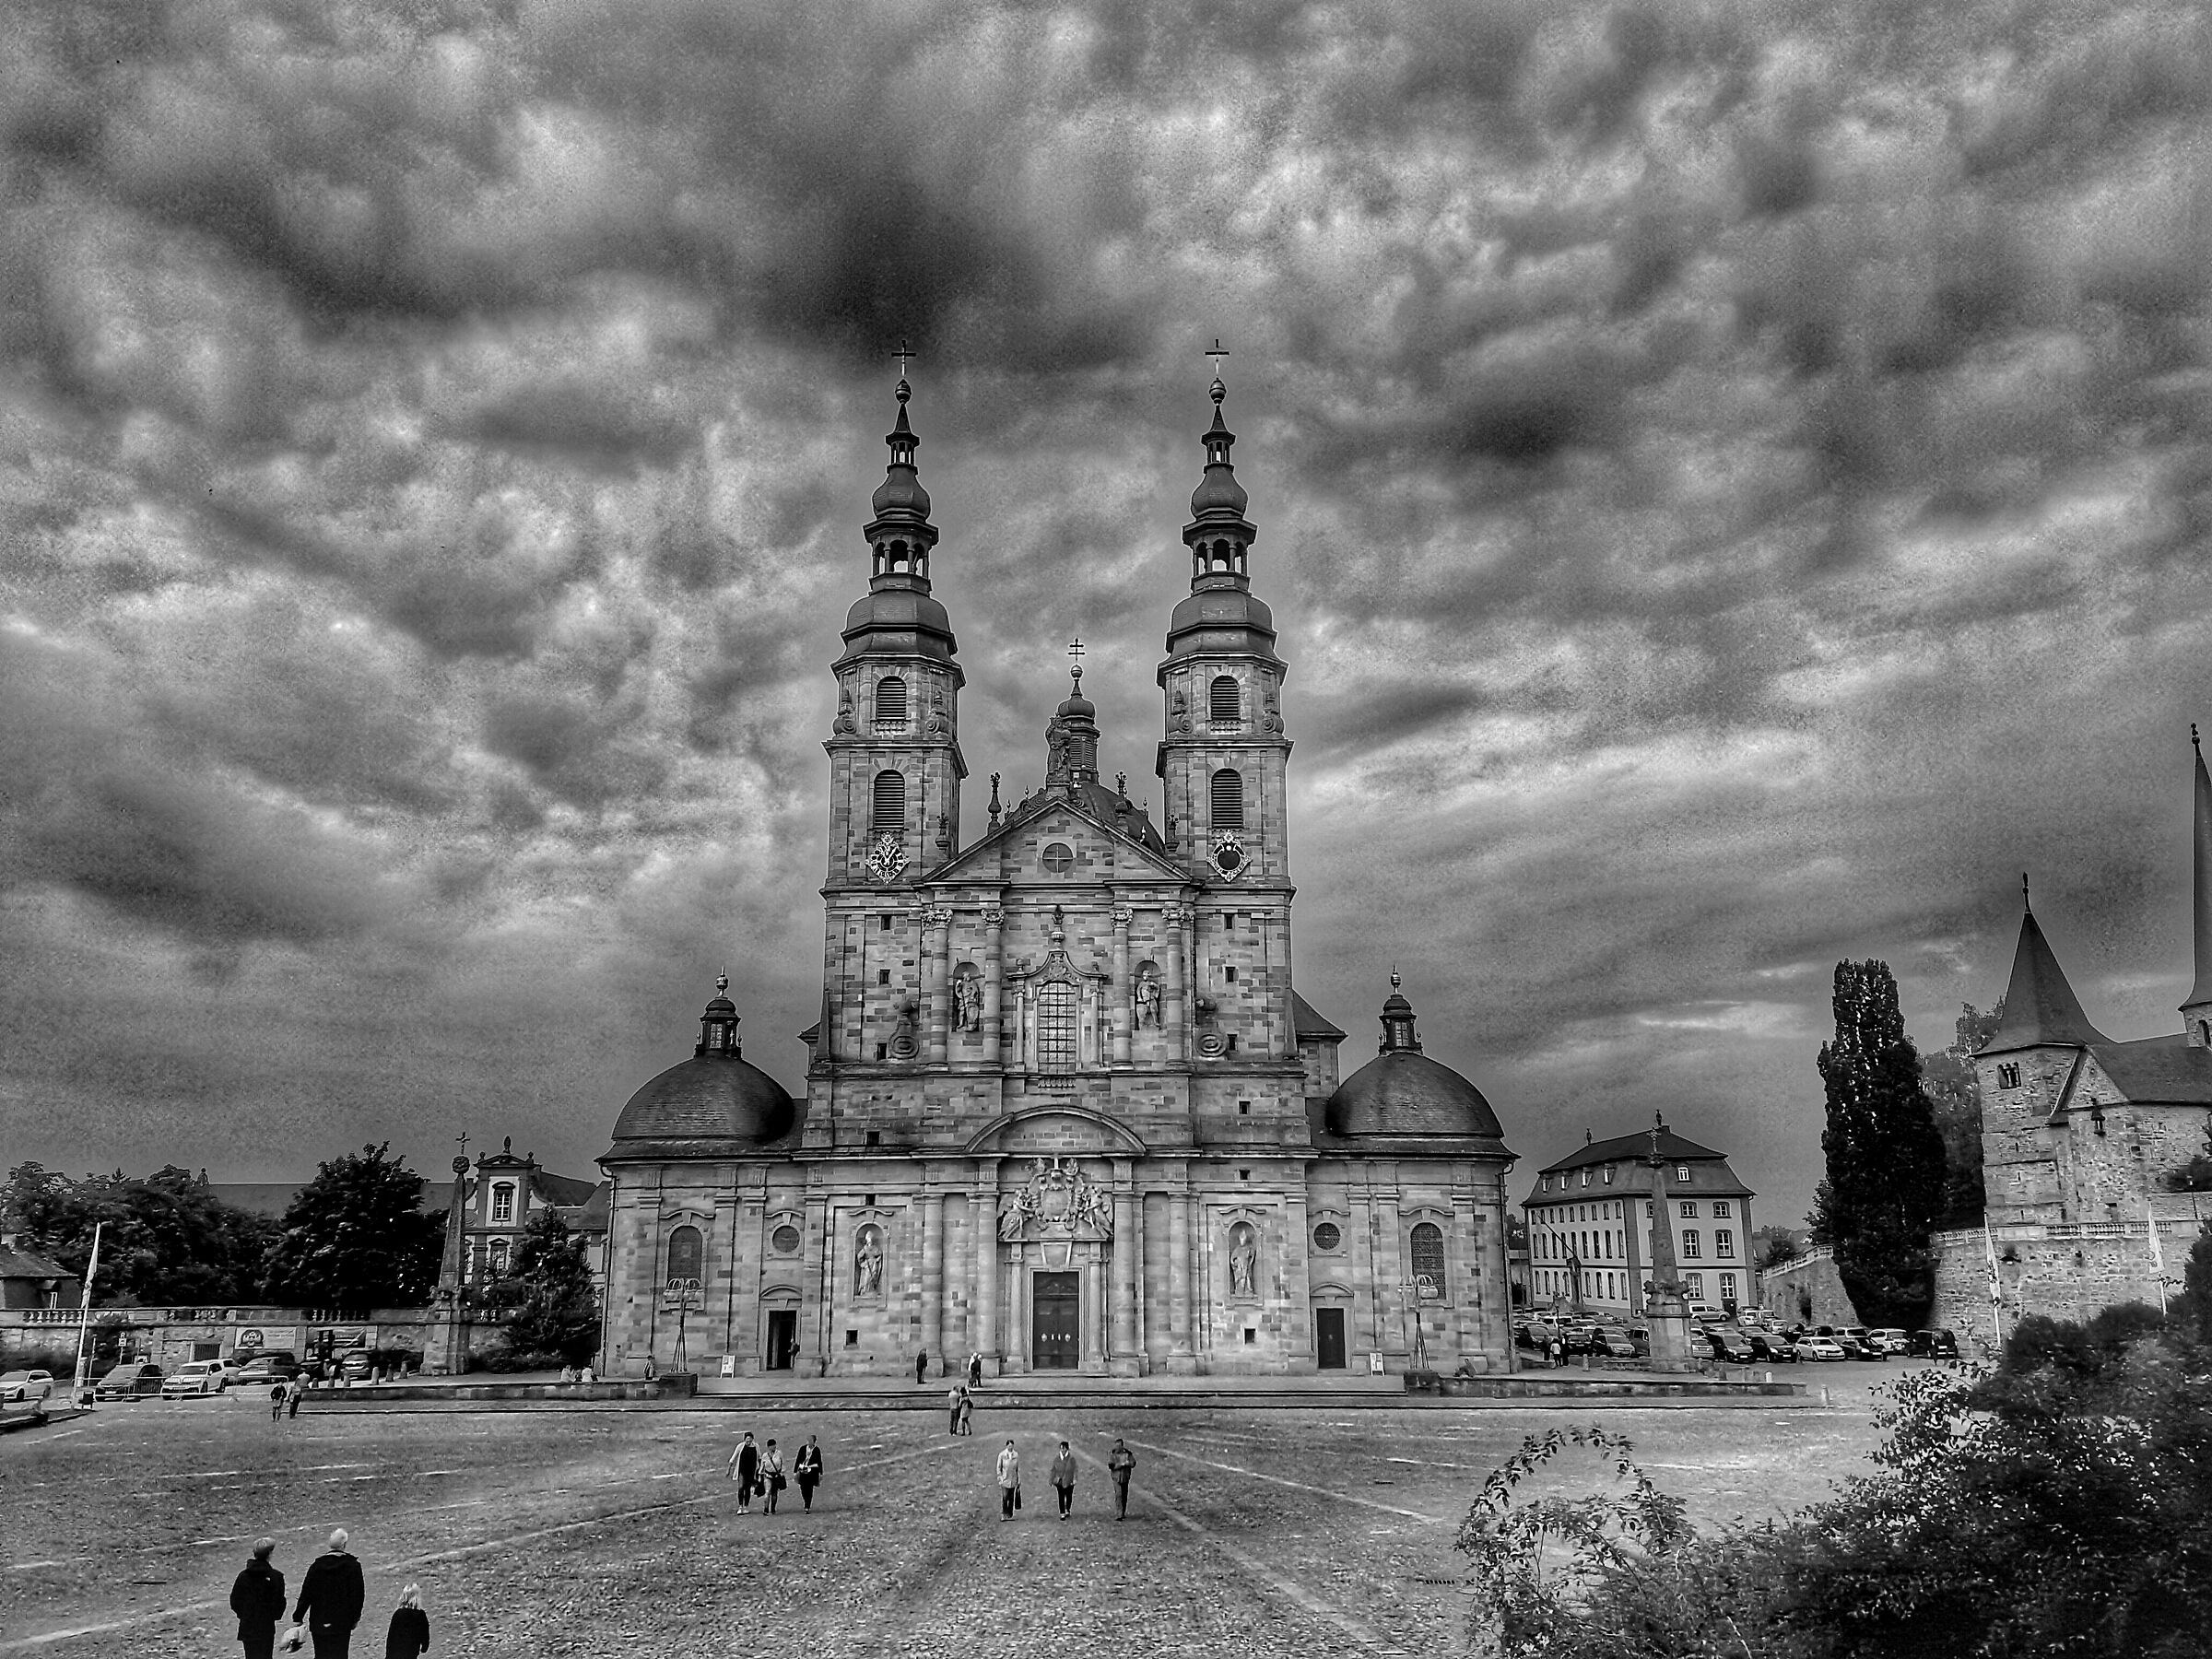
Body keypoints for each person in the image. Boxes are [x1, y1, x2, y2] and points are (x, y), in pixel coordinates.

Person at [292, 1530, 365, 1659]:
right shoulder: (353, 1567)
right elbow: (358, 1596)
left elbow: (306, 1593)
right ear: (344, 1544)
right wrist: (355, 1618)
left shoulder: (316, 1566)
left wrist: (298, 1616)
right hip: (342, 1622)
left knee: (321, 1655)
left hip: (319, 1621)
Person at [229, 1537, 287, 1659]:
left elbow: (235, 1601)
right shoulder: (276, 1577)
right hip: (266, 1627)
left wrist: (244, 1614)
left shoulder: (243, 1576)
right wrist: (272, 1616)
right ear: (269, 1554)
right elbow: (279, 1603)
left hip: (248, 1625)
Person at [382, 1584, 429, 1659]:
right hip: (411, 1652)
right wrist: (424, 1648)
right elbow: (425, 1634)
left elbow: (391, 1636)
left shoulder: (398, 1614)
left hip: (395, 1653)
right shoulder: (421, 1615)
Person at [729, 1431, 760, 1513]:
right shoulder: (740, 1446)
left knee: (748, 1489)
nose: (748, 1442)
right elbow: (733, 1457)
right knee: (741, 1488)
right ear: (744, 1440)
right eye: (747, 1440)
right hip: (742, 1471)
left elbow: (759, 1458)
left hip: (751, 1471)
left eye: (750, 1440)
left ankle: (746, 1506)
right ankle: (740, 1506)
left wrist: (760, 1471)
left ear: (753, 1440)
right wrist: (729, 1469)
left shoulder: (756, 1446)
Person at [793, 1435, 823, 1512]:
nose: (809, 1442)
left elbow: (819, 1462)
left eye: (810, 1441)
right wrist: (795, 1471)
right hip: (803, 1469)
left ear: (814, 1442)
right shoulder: (803, 1449)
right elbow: (798, 1459)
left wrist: (821, 1473)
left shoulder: (816, 1450)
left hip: (812, 1470)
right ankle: (806, 1500)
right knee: (803, 1487)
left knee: (809, 1488)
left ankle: (807, 1505)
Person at [1107, 1438, 1135, 1519]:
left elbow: (1133, 1463)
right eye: (1116, 1446)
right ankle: (1119, 1513)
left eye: (1119, 1446)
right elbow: (1111, 1466)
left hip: (1125, 1477)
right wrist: (1121, 1465)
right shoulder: (1112, 1454)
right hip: (1116, 1477)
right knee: (1118, 1494)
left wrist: (1128, 1463)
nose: (1117, 1448)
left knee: (1124, 1495)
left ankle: (1123, 1512)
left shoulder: (1128, 1454)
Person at [1049, 1440, 1077, 1520]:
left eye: (1064, 1448)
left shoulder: (1071, 1459)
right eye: (1061, 1448)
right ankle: (1062, 1512)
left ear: (1067, 1449)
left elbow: (1075, 1469)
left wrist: (1074, 1479)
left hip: (1069, 1481)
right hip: (1059, 1481)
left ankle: (1067, 1508)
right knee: (1061, 1496)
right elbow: (1053, 1469)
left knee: (1069, 1496)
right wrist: (1051, 1479)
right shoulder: (1057, 1459)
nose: (1062, 1450)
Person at [995, 1439, 1021, 1522]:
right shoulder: (1002, 1455)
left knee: (1011, 1497)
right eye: (1009, 1446)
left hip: (1013, 1479)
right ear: (1006, 1446)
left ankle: (1010, 1514)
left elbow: (1018, 1468)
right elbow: (999, 1467)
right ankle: (1004, 1513)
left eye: (1012, 1446)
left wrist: (1019, 1479)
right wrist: (1000, 1477)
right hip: (1005, 1479)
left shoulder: (1016, 1455)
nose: (1010, 1447)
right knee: (1005, 1497)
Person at [761, 1438, 785, 1514]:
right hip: (768, 1476)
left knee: (774, 1494)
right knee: (767, 1492)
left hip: (776, 1476)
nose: (774, 1447)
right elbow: (762, 1466)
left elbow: (782, 1463)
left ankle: (773, 1508)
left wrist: (782, 1472)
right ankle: (766, 1509)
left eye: (774, 1445)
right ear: (769, 1447)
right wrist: (759, 1476)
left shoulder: (779, 1453)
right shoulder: (765, 1455)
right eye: (772, 1445)